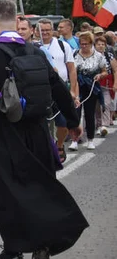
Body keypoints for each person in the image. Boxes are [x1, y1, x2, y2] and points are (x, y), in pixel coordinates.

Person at [0, 0, 87, 259]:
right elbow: (58, 87)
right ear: (16, 20)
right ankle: (42, 245)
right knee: (39, 187)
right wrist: (73, 120)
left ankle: (13, 252)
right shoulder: (35, 52)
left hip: (5, 134)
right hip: (38, 132)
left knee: (8, 193)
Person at [37, 19, 78, 159]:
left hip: (60, 88)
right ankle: (48, 146)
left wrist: (72, 90)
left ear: (52, 30)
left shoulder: (62, 45)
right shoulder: (34, 47)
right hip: (42, 90)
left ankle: (60, 145)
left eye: (47, 29)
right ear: (37, 31)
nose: (45, 33)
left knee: (62, 122)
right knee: (43, 123)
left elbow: (72, 69)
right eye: (42, 30)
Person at [73, 31, 112, 150]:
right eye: (81, 44)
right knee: (76, 114)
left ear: (91, 43)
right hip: (77, 86)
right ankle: (75, 139)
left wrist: (100, 75)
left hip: (92, 87)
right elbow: (72, 71)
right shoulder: (75, 53)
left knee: (89, 114)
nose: (83, 46)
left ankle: (90, 139)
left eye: (86, 44)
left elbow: (105, 71)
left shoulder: (98, 56)